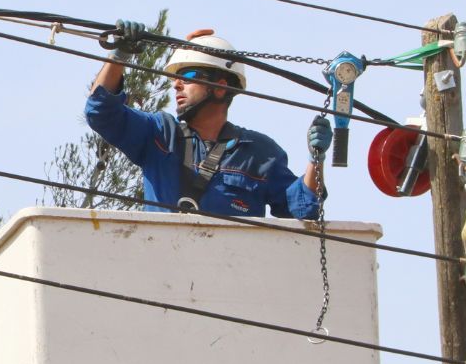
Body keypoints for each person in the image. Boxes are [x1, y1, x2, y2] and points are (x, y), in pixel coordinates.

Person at [84, 21, 332, 218]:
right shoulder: (160, 134)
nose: (177, 85)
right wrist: (120, 54)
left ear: (220, 87)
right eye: (175, 79)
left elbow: (302, 207)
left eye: (188, 75)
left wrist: (316, 159)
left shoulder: (259, 154)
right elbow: (101, 112)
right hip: (162, 271)